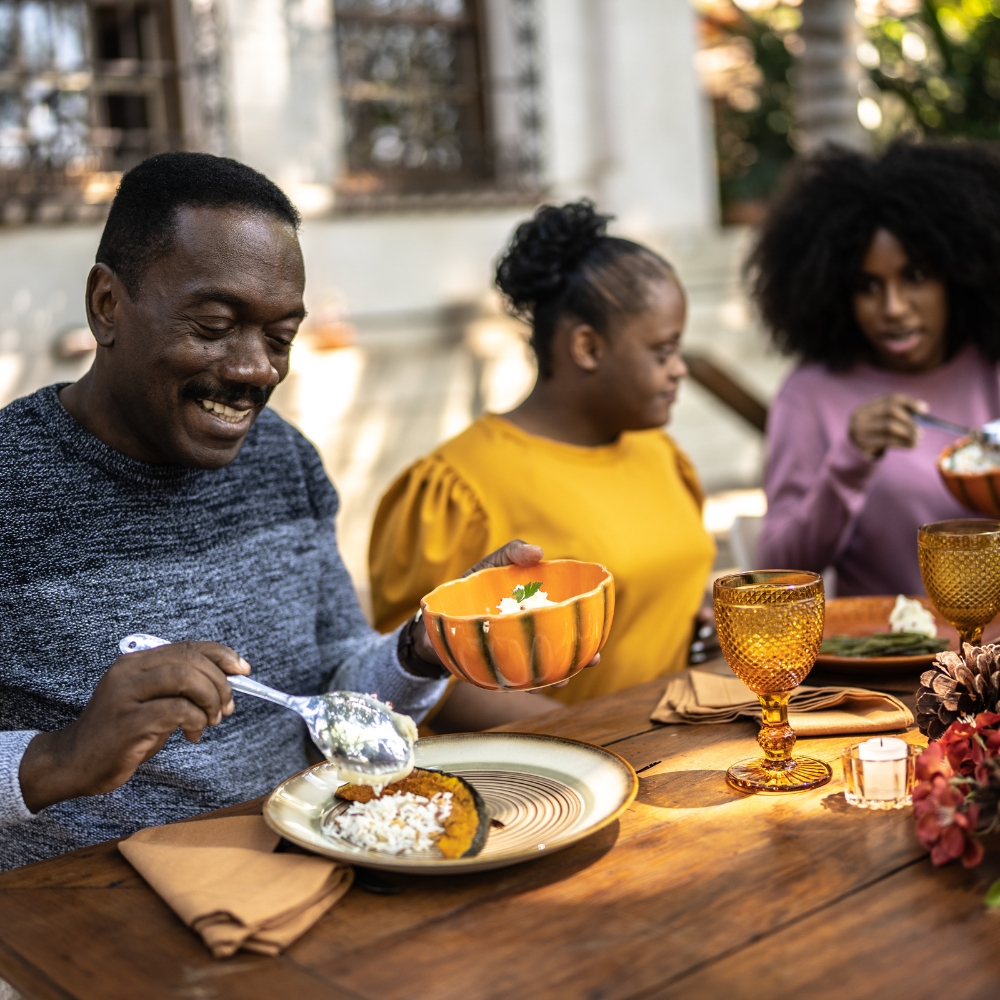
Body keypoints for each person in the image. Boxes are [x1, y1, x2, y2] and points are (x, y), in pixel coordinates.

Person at [0, 152, 542, 871]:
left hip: (302, 874)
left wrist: (423, 646)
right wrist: (59, 758)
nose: (256, 369)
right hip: (82, 920)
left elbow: (334, 704)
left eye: (280, 337)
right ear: (108, 305)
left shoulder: (284, 461)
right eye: (216, 324)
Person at [369, 201, 716, 729]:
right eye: (663, 352)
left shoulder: (660, 455)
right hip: (553, 778)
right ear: (587, 347)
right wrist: (601, 734)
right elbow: (419, 679)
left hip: (676, 747)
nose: (679, 370)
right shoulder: (457, 488)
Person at [750, 141, 1000, 595]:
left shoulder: (991, 368)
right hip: (891, 655)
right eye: (868, 286)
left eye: (916, 276)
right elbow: (776, 571)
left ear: (960, 274)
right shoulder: (810, 395)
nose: (894, 308)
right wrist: (850, 461)